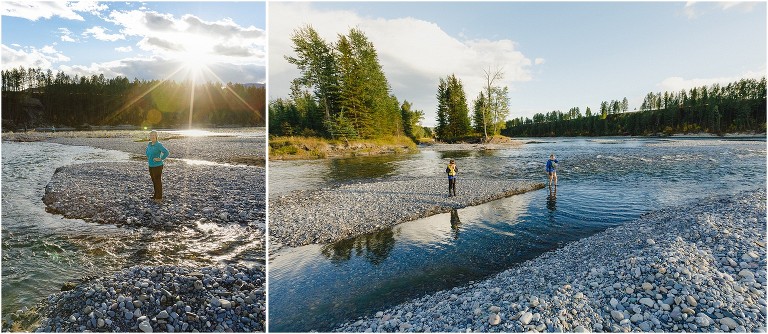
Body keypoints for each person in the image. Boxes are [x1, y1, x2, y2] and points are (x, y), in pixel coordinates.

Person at [146, 130, 169, 201]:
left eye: (153, 135)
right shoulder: (149, 144)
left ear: (156, 136)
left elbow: (166, 152)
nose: (152, 136)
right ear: (149, 136)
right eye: (151, 135)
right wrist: (150, 158)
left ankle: (159, 197)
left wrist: (160, 158)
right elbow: (147, 153)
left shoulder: (158, 145)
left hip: (157, 166)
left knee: (158, 181)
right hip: (151, 165)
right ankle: (155, 195)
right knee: (154, 181)